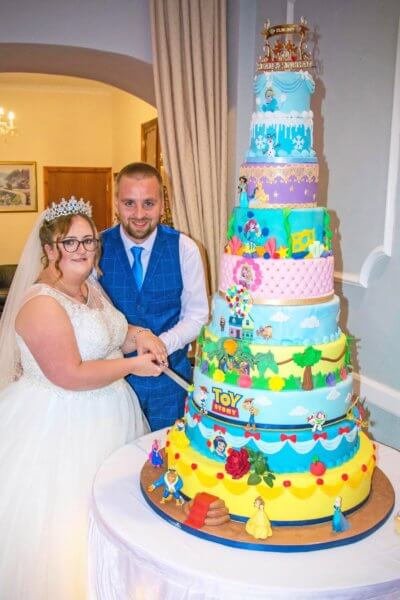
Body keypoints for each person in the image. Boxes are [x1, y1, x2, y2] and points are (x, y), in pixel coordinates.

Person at [0, 197, 164, 600]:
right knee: (68, 529)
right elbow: (69, 374)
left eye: (88, 241)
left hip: (112, 414)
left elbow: (112, 333)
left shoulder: (89, 288)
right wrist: (131, 366)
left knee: (116, 513)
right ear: (50, 249)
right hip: (59, 427)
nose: (82, 250)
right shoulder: (40, 303)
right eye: (69, 243)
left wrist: (141, 336)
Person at [99, 162, 209, 431]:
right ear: (116, 203)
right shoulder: (95, 247)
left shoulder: (186, 249)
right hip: (112, 386)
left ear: (162, 203)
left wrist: (160, 344)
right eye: (129, 203)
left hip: (170, 384)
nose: (138, 214)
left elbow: (197, 316)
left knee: (165, 464)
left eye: (148, 203)